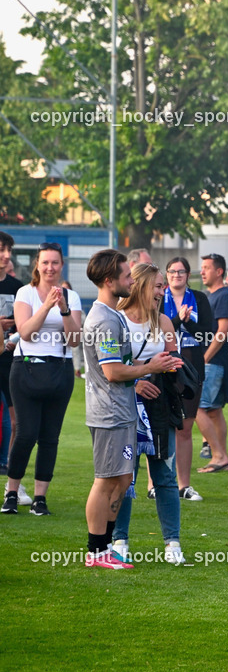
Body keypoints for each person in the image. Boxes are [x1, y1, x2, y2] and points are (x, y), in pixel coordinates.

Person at [81, 249, 181, 568]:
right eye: (126, 276)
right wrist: (147, 368)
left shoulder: (112, 317)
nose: (131, 280)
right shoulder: (106, 319)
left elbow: (122, 362)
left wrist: (156, 365)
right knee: (107, 480)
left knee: (123, 479)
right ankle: (97, 550)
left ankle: (107, 547)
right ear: (110, 281)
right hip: (110, 414)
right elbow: (112, 371)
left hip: (123, 414)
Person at [110, 263, 186, 564]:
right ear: (140, 285)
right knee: (125, 477)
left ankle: (172, 543)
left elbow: (173, 363)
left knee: (165, 475)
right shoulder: (116, 320)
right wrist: (138, 379)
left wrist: (169, 364)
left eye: (163, 285)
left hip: (159, 407)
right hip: (126, 405)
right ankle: (120, 541)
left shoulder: (164, 322)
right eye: (157, 285)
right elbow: (108, 368)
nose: (162, 291)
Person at [1, 243, 81, 516]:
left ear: (61, 265)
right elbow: (25, 332)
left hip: (60, 369)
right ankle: (12, 491)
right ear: (37, 264)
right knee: (25, 433)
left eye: (55, 263)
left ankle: (40, 497)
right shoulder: (25, 292)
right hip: (26, 369)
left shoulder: (72, 296)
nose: (50, 268)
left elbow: (75, 339)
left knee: (50, 437)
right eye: (45, 263)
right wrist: (47, 306)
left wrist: (65, 310)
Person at [163, 257, 213, 501]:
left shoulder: (200, 299)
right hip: (164, 361)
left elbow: (208, 333)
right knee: (161, 425)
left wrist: (187, 324)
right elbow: (154, 330)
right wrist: (176, 321)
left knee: (185, 426)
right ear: (166, 274)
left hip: (192, 363)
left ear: (188, 275)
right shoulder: (158, 297)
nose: (176, 275)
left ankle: (184, 485)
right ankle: (157, 484)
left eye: (181, 271)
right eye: (172, 271)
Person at [196, 253, 228, 473]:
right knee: (214, 411)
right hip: (212, 362)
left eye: (207, 268)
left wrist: (204, 359)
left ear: (219, 271)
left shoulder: (223, 296)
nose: (202, 271)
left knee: (197, 407)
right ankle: (223, 457)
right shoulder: (210, 296)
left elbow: (222, 332)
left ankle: (218, 454)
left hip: (212, 362)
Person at [0, 231, 22, 478]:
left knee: (17, 423)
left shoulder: (18, 288)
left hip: (11, 361)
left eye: (9, 251)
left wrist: (13, 339)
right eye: (1, 250)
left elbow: (24, 326)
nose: (6, 256)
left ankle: (11, 474)